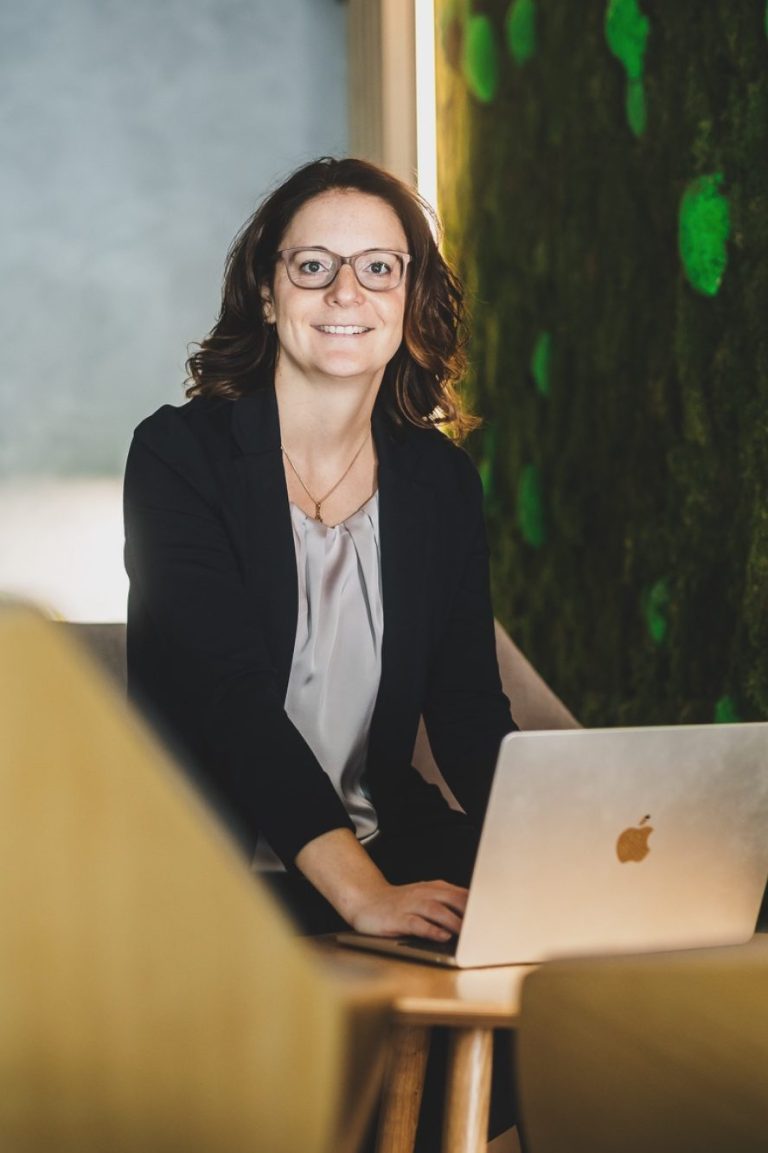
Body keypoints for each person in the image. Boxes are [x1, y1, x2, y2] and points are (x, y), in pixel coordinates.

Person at [124, 156, 519, 1145]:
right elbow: (230, 699)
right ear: (266, 289)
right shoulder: (181, 455)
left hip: (390, 837)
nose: (348, 293)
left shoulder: (437, 482)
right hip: (223, 861)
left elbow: (469, 712)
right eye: (314, 267)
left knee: (595, 932)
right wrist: (365, 897)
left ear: (412, 298)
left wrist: (548, 852)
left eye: (379, 268)